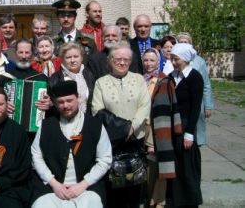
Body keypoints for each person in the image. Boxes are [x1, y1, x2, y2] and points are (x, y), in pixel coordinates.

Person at [31, 80, 112, 208]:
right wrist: (54, 184)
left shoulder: (95, 125)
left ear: (78, 98)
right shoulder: (46, 125)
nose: (65, 106)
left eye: (69, 100)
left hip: (86, 188)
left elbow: (105, 160)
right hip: (52, 188)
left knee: (93, 203)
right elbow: (36, 156)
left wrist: (83, 185)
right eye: (61, 102)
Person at [91, 43, 151, 208]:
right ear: (110, 60)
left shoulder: (139, 79)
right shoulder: (101, 82)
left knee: (135, 183)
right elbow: (97, 110)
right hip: (112, 141)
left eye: (126, 59)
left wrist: (131, 128)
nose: (122, 62)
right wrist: (121, 129)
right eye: (118, 59)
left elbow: (144, 105)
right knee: (114, 185)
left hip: (135, 138)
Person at [142, 48, 182, 208]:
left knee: (157, 168)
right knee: (146, 169)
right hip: (141, 130)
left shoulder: (164, 80)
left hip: (157, 130)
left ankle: (158, 202)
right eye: (146, 60)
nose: (148, 63)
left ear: (158, 61)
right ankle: (146, 199)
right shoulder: (139, 79)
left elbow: (170, 109)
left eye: (152, 60)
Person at [168, 43, 204, 207]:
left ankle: (190, 201)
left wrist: (190, 133)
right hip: (172, 125)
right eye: (172, 59)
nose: (174, 62)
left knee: (187, 166)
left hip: (185, 125)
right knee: (177, 165)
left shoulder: (195, 77)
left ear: (185, 58)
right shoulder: (171, 76)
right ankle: (177, 200)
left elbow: (196, 106)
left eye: (176, 59)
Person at [176, 32, 214, 147]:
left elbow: (206, 85)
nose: (183, 44)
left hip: (197, 101)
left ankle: (198, 143)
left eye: (185, 42)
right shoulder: (175, 60)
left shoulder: (199, 61)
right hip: (182, 103)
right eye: (180, 42)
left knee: (196, 123)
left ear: (190, 44)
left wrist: (208, 106)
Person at [49, 42, 96, 115]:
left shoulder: (90, 75)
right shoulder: (54, 80)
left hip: (87, 119)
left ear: (82, 58)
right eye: (68, 57)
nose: (72, 60)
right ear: (62, 59)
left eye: (76, 56)